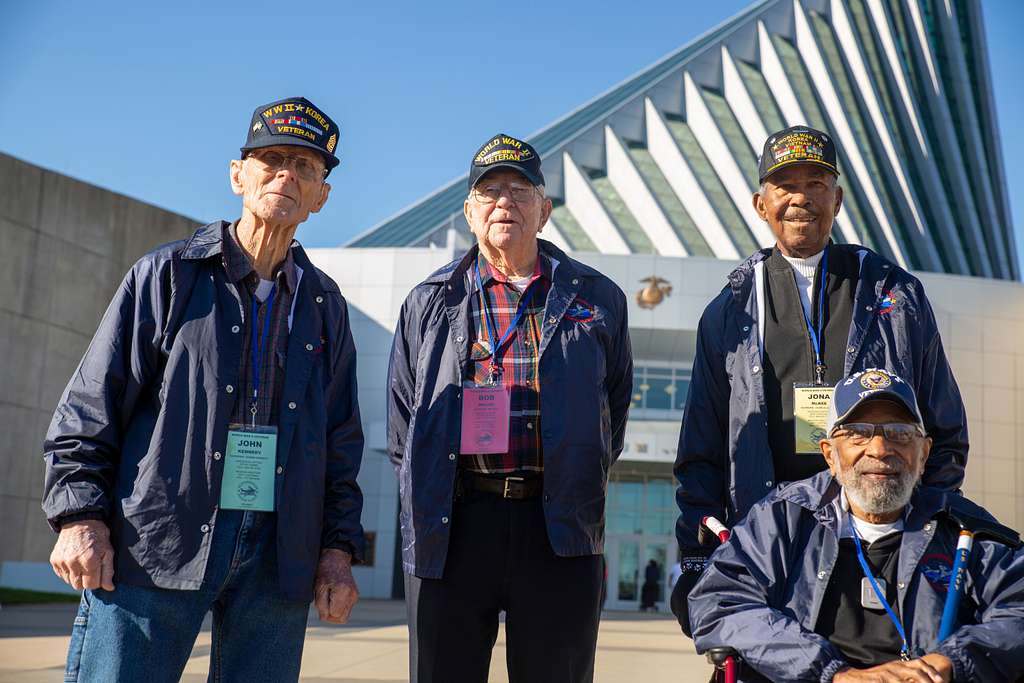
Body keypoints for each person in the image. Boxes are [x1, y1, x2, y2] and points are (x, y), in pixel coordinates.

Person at [42, 97, 365, 682]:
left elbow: (341, 442)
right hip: (157, 539)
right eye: (270, 159)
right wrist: (79, 517)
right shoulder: (167, 276)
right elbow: (92, 405)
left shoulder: (325, 307)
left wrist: (337, 552)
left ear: (321, 196)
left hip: (276, 556)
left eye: (305, 167)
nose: (286, 174)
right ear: (238, 174)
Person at [671, 126, 968, 634]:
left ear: (838, 198)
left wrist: (915, 528)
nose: (800, 198)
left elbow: (945, 433)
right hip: (770, 542)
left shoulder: (896, 297)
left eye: (816, 182)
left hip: (876, 542)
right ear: (760, 203)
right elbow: (701, 451)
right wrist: (699, 557)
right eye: (784, 185)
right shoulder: (728, 312)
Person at [387, 133, 632, 683]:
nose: (505, 203)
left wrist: (574, 473)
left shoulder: (598, 298)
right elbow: (405, 426)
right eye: (490, 191)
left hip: (558, 526)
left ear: (544, 211)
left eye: (520, 191)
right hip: (455, 525)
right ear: (470, 212)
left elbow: (610, 413)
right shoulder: (430, 300)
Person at [688, 369, 1024, 682]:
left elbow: (1017, 607)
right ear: (830, 455)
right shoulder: (783, 518)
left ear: (923, 453)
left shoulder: (965, 528)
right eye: (858, 434)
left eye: (899, 433)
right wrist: (833, 673)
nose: (879, 449)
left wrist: (952, 661)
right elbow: (718, 603)